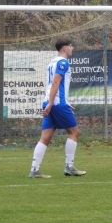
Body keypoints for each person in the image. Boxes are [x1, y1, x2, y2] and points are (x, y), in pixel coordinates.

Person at [28, 38, 86, 178]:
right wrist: (53, 103)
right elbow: (55, 83)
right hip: (56, 103)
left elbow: (56, 86)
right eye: (71, 46)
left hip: (52, 101)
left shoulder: (52, 62)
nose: (72, 48)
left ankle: (34, 170)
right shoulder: (63, 62)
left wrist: (57, 102)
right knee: (74, 132)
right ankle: (69, 167)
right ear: (65, 48)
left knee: (46, 137)